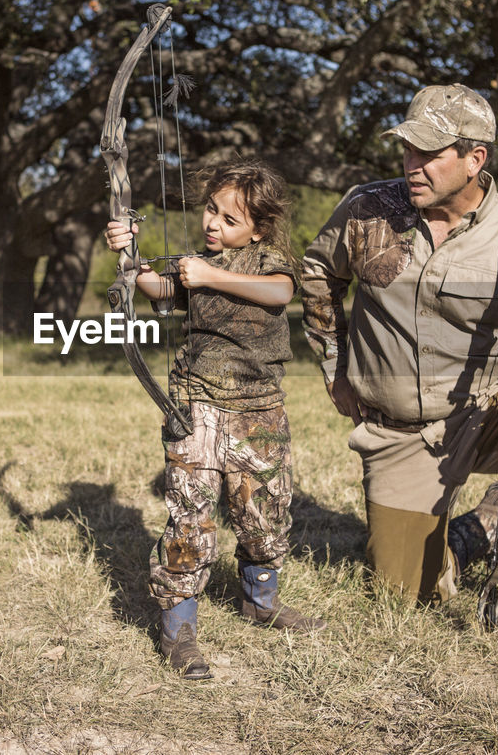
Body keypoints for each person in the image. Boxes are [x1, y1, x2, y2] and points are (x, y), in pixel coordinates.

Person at [299, 84, 498, 666]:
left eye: (429, 153)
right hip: (400, 431)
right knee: (403, 596)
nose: (412, 166)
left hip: (490, 410)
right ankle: (483, 528)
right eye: (407, 151)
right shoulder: (366, 209)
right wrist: (334, 364)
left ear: (476, 159)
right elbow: (318, 272)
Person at [105, 159, 326, 680]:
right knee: (191, 516)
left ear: (258, 228)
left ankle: (260, 601)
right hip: (195, 406)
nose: (212, 224)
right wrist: (131, 257)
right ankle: (178, 629)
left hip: (258, 409)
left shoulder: (267, 260)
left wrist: (212, 274)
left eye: (229, 219)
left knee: (263, 513)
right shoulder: (194, 263)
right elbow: (161, 290)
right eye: (210, 209)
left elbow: (281, 292)